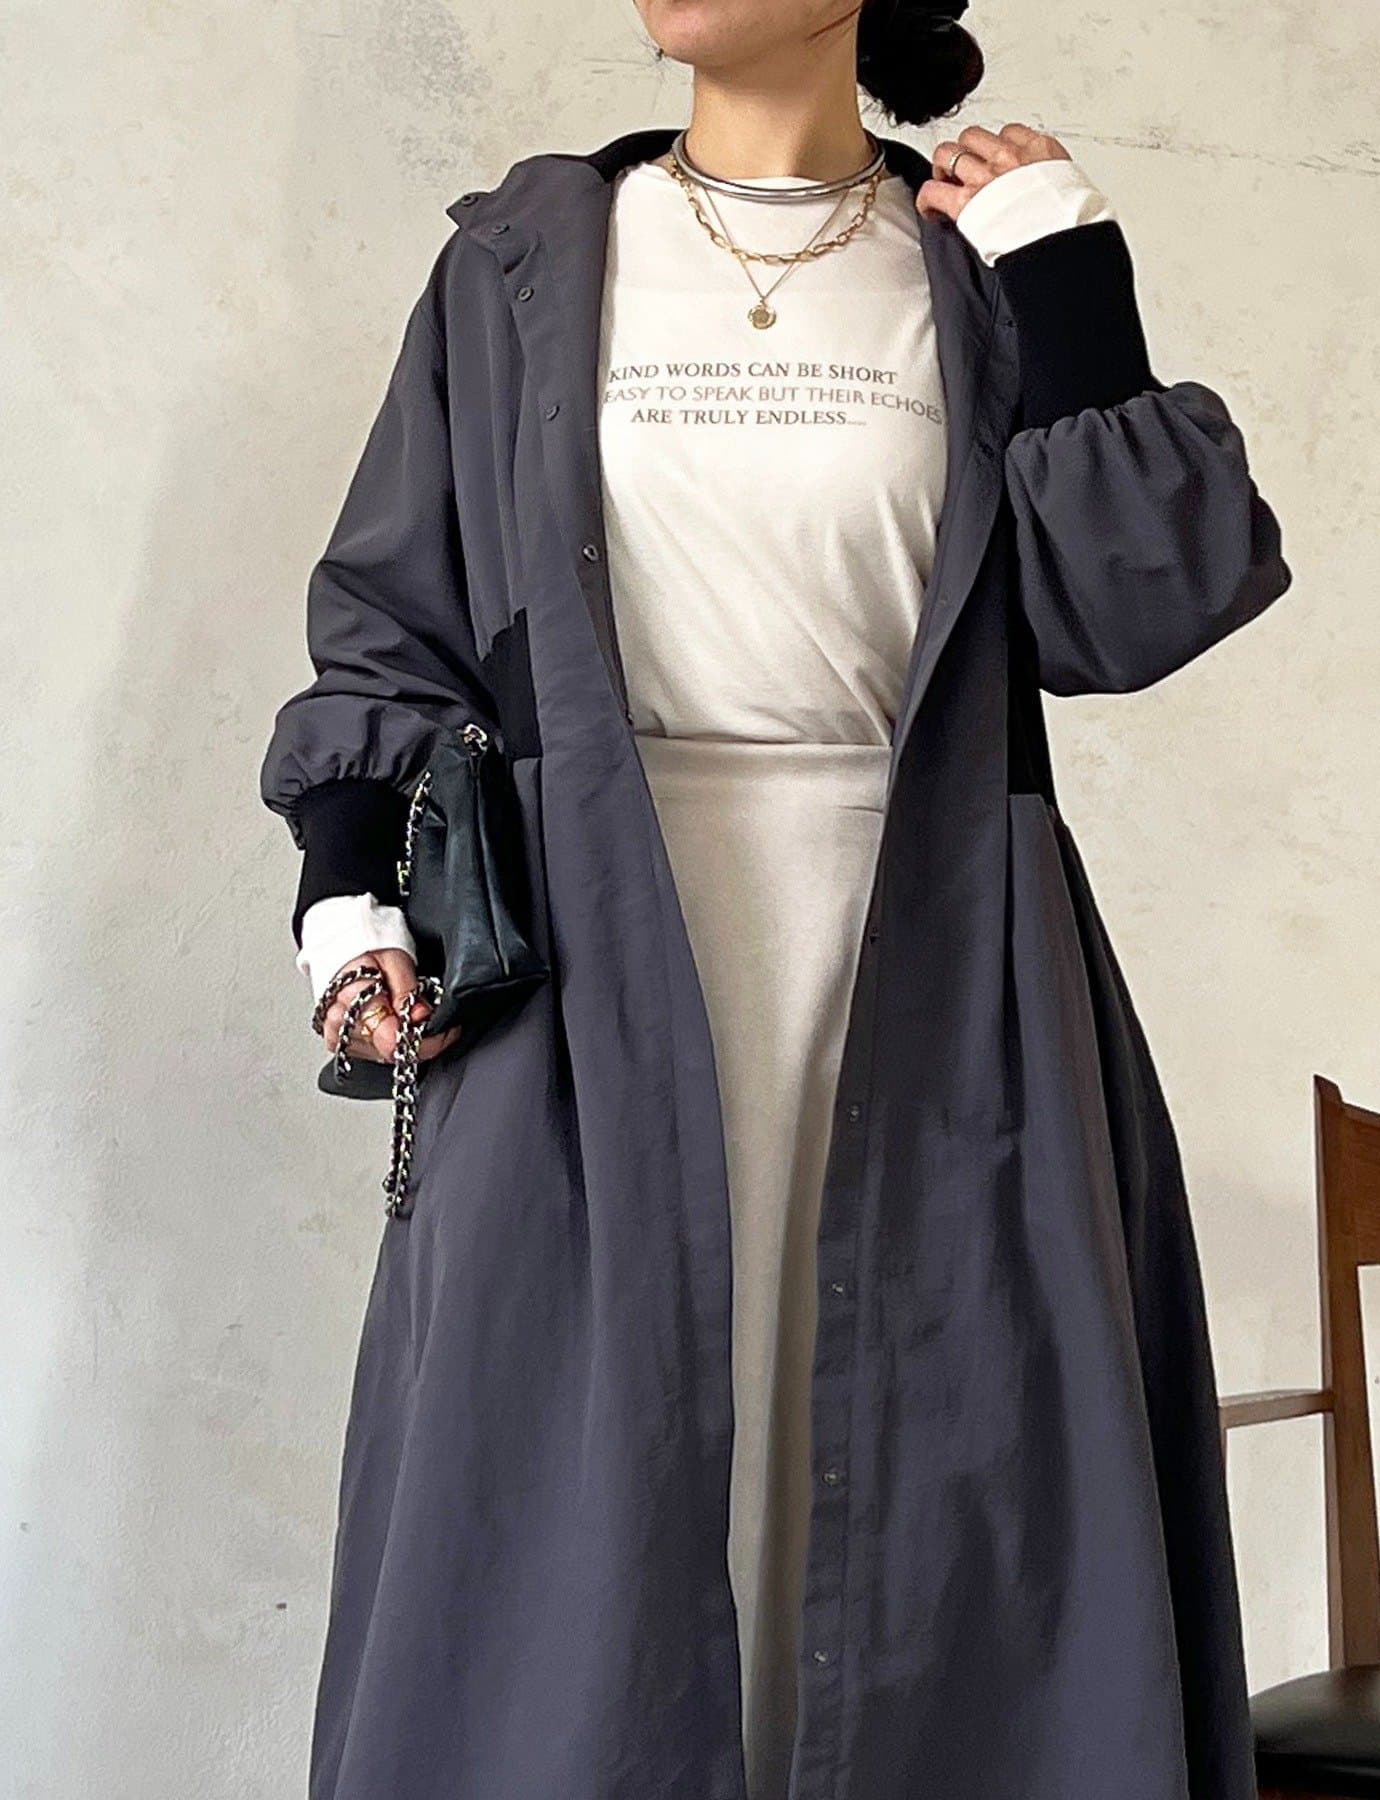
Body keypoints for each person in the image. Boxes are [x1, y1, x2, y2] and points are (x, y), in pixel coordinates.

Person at [259, 3, 1292, 1796]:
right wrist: (349, 905)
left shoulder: (975, 271)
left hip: (941, 961)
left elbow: (1135, 612)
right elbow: (391, 625)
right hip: (586, 972)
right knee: (565, 1528)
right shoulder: (516, 268)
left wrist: (1071, 288)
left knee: (944, 1484)